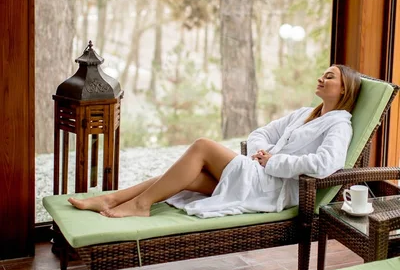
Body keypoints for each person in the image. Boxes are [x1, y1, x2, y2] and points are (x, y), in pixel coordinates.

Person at [68, 64, 361, 219]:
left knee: (203, 145)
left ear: (344, 89)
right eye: (323, 74)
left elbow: (326, 164)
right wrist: (263, 150)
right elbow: (263, 132)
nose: (321, 79)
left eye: (329, 77)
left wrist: (273, 162)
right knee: (187, 177)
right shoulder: (305, 114)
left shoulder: (339, 124)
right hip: (259, 171)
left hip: (274, 187)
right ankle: (112, 198)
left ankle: (141, 204)